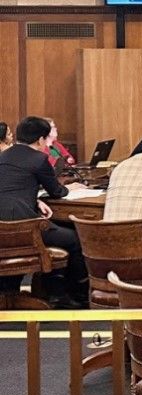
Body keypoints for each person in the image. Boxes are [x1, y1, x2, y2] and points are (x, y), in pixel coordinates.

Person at [0, 117, 88, 308]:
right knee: (74, 238)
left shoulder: (3, 157)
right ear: (41, 140)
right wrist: (71, 188)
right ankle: (67, 296)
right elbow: (56, 192)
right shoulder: (39, 159)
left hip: (3, 228)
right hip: (23, 229)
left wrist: (35, 200)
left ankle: (14, 289)